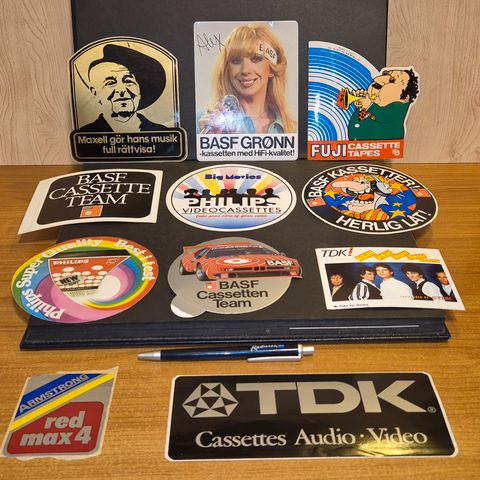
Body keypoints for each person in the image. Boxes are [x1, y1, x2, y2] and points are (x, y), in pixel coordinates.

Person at [198, 24, 296, 134]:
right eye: (236, 61)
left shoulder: (293, 129)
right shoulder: (203, 124)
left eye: (256, 59)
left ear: (272, 69)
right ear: (227, 69)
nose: (245, 70)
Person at [79, 44, 168, 132]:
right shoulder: (85, 134)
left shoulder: (161, 133)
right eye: (110, 83)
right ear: (95, 93)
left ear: (139, 90)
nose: (121, 90)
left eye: (128, 81)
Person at [347, 68, 419, 140]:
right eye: (385, 74)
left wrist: (366, 106)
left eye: (392, 80)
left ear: (405, 98)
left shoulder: (394, 113)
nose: (377, 79)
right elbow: (353, 133)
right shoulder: (372, 107)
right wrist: (362, 108)